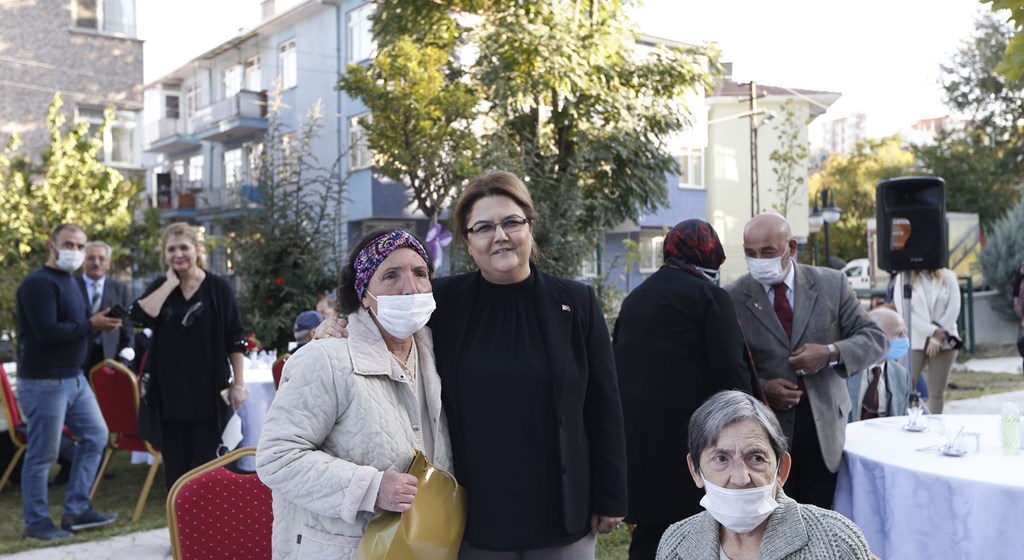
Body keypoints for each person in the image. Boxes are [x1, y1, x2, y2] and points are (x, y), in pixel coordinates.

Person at [315, 171, 627, 558]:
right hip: (475, 515)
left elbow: (604, 404)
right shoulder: (442, 302)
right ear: (467, 240)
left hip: (563, 512)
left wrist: (612, 495)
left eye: (511, 222)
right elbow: (381, 322)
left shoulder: (575, 302)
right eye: (484, 227)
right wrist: (337, 326)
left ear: (530, 227)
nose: (500, 236)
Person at [256, 229, 453, 559]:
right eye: (391, 275)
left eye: (420, 273)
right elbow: (277, 457)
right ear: (363, 294)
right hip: (343, 550)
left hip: (425, 546)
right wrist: (370, 488)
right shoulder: (326, 359)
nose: (410, 288)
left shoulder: (438, 350)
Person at [612, 219, 754, 560]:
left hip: (640, 442)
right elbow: (731, 374)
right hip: (693, 443)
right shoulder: (709, 296)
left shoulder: (636, 298)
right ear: (708, 253)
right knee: (696, 535)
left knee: (650, 535)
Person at [726, 213, 885, 509]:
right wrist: (762, 389)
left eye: (768, 252)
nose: (758, 260)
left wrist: (830, 353)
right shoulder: (733, 296)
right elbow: (729, 365)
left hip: (823, 428)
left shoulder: (831, 284)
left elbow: (875, 339)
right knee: (773, 520)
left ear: (791, 248)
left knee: (820, 516)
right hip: (765, 433)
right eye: (750, 253)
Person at [656, 390, 872, 560]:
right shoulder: (675, 545)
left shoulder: (836, 542)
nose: (741, 478)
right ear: (695, 470)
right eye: (721, 459)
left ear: (782, 469)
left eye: (756, 458)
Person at [16, 223, 120, 540]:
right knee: (42, 455)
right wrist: (92, 324)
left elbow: (77, 325)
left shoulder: (71, 282)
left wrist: (98, 324)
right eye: (69, 245)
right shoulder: (38, 284)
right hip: (44, 382)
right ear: (53, 246)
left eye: (80, 246)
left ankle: (77, 510)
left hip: (74, 379)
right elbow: (47, 332)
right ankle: (36, 522)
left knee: (96, 437)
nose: (75, 251)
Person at [129, 222, 248, 487]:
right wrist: (169, 284)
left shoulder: (218, 287)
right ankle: (179, 514)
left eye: (184, 247)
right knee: (177, 471)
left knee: (211, 469)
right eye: (171, 249)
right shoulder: (161, 286)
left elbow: (235, 337)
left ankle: (211, 514)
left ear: (197, 250)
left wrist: (239, 383)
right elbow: (139, 317)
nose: (178, 254)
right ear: (165, 254)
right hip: (170, 395)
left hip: (209, 392)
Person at [892, 268, 961, 414]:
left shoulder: (948, 277)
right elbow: (905, 311)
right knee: (902, 389)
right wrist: (933, 331)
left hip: (944, 341)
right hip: (915, 339)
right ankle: (902, 423)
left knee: (936, 393)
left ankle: (933, 425)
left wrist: (938, 338)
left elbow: (953, 309)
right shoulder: (903, 278)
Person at [76, 241, 134, 373]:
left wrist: (124, 360)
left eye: (102, 259)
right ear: (83, 261)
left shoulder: (120, 289)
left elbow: (128, 327)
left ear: (109, 263)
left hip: (110, 361)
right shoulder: (71, 286)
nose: (96, 263)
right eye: (91, 258)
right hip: (76, 360)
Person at [847, 307, 912, 421]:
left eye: (905, 333)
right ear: (874, 336)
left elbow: (903, 420)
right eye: (899, 334)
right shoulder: (843, 372)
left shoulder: (901, 375)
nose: (905, 339)